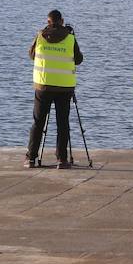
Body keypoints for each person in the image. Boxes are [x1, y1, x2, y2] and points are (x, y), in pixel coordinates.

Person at [25, 9, 83, 169]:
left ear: (48, 21)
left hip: (43, 86)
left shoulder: (40, 36)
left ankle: (31, 158)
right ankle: (61, 160)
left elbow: (31, 55)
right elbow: (79, 59)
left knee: (38, 123)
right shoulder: (70, 39)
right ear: (62, 21)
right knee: (62, 123)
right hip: (64, 87)